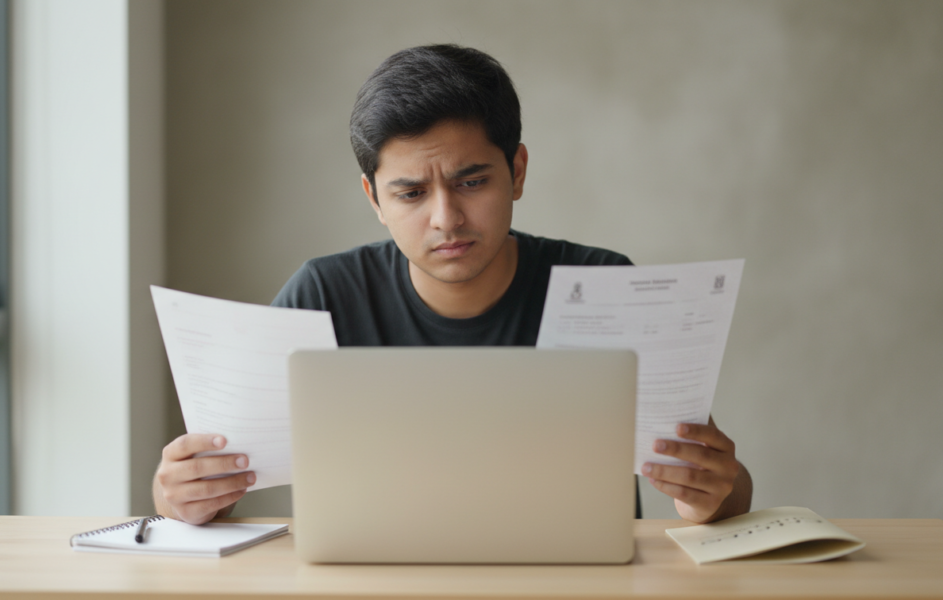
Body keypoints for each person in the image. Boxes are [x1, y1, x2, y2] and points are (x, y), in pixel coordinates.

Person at [153, 44, 753, 526]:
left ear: (517, 171)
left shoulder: (601, 284)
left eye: (472, 182)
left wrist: (712, 493)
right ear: (374, 199)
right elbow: (216, 489)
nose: (445, 218)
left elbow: (720, 491)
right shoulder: (324, 296)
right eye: (411, 193)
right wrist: (183, 496)